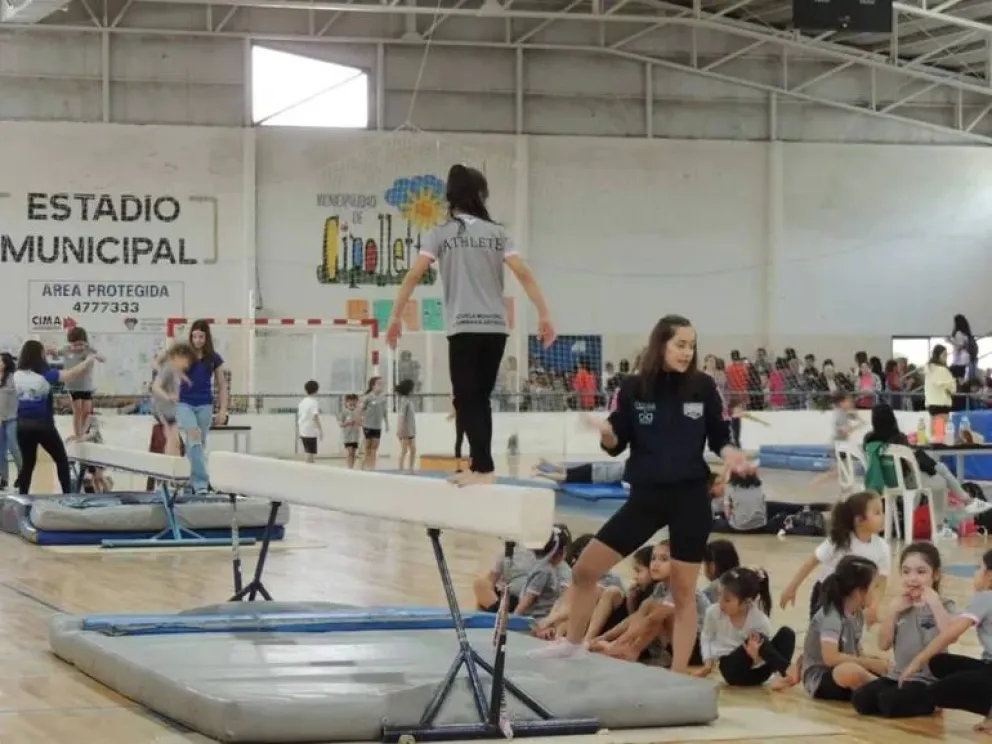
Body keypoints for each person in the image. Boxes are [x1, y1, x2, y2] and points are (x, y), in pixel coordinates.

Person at [530, 315, 753, 673]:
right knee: (586, 568)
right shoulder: (634, 388)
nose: (687, 352)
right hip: (646, 499)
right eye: (680, 344)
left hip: (690, 499)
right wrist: (604, 431)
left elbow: (721, 436)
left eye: (691, 345)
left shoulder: (703, 387)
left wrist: (732, 455)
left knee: (683, 592)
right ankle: (572, 644)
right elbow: (616, 441)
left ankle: (678, 673)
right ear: (660, 344)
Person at [385, 163, 556, 487]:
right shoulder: (498, 233)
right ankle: (480, 466)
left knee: (469, 400)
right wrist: (544, 314)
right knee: (478, 400)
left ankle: (483, 469)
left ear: (451, 197)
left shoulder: (440, 234)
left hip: (464, 328)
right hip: (495, 330)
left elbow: (413, 275)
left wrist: (394, 319)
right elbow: (524, 274)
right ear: (480, 195)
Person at [852, 542, 955, 718]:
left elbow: (950, 636)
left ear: (935, 574)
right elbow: (883, 644)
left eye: (921, 572)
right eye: (906, 572)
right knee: (861, 699)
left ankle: (934, 702)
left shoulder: (945, 605)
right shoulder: (900, 605)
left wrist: (935, 604)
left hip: (926, 680)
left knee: (889, 702)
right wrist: (893, 612)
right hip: (897, 675)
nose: (912, 578)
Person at [898, 548, 992, 731]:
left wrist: (917, 661)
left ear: (989, 576)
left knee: (938, 691)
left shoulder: (986, 597)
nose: (975, 573)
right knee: (940, 663)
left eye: (978, 568)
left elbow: (951, 633)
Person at [789, 556, 888, 700]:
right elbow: (831, 658)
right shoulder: (831, 616)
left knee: (884, 664)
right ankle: (883, 689)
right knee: (849, 671)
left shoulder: (857, 613)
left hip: (844, 670)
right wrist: (869, 663)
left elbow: (857, 651)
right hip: (821, 678)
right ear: (859, 591)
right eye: (874, 587)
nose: (876, 593)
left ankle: (877, 686)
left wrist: (877, 663)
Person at [780, 490, 889, 620]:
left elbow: (882, 580)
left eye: (882, 511)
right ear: (859, 520)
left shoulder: (882, 547)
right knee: (822, 633)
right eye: (877, 512)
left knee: (847, 637)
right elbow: (812, 561)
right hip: (827, 595)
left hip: (855, 600)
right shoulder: (839, 540)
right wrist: (792, 587)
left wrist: (874, 606)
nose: (883, 516)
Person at [862, 402, 961, 535]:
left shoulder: (869, 440)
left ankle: (961, 501)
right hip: (906, 483)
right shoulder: (899, 438)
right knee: (940, 483)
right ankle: (939, 525)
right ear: (892, 418)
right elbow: (909, 465)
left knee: (938, 473)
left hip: (885, 483)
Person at [13, 340, 96, 494]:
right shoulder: (45, 374)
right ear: (38, 356)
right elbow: (71, 374)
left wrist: (47, 350)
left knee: (28, 464)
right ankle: (67, 495)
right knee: (61, 460)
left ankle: (22, 498)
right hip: (43, 426)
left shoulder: (17, 375)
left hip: (22, 426)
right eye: (42, 354)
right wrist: (88, 361)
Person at [695, 567, 796, 687]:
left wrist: (756, 657)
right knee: (752, 640)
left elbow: (766, 653)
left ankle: (784, 677)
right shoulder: (713, 612)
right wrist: (707, 664)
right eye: (719, 595)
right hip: (732, 671)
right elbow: (706, 638)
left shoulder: (760, 620)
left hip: (759, 671)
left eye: (727, 600)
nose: (720, 602)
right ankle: (790, 670)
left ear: (746, 602)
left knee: (787, 633)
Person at [161, 320, 229, 495]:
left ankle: (191, 482)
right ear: (191, 337)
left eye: (201, 336)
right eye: (195, 336)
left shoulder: (213, 358)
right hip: (185, 404)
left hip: (205, 405)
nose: (198, 340)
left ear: (207, 338)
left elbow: (222, 385)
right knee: (194, 439)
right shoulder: (186, 356)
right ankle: (201, 483)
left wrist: (222, 410)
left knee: (197, 446)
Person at [52, 327, 105, 440]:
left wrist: (94, 354)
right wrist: (49, 350)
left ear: (84, 342)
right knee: (78, 410)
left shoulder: (88, 349)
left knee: (86, 411)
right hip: (73, 385)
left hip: (86, 386)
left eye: (80, 344)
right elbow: (55, 353)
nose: (77, 347)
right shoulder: (66, 349)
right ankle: (78, 434)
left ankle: (83, 432)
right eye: (74, 345)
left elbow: (103, 359)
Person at [152, 343, 195, 458]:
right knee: (170, 438)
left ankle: (174, 463)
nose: (187, 366)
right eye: (186, 362)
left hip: (170, 410)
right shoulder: (167, 368)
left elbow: (180, 374)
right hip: (162, 410)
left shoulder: (175, 369)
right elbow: (155, 386)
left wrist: (187, 381)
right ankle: (169, 465)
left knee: (175, 440)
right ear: (178, 357)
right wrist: (168, 396)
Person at [0, 352, 22, 491]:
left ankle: (22, 474)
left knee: (14, 447)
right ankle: (4, 478)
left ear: (6, 363)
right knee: (0, 451)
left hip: (12, 418)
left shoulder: (13, 378)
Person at [923, 344, 955, 440]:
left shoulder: (929, 370)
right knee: (940, 437)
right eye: (944, 355)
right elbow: (952, 388)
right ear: (938, 355)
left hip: (931, 404)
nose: (946, 358)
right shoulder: (942, 370)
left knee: (935, 436)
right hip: (941, 404)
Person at [360, 376, 388, 470]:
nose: (381, 386)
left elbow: (384, 411)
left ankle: (372, 466)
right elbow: (361, 409)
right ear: (373, 385)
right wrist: (361, 420)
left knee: (374, 448)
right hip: (368, 425)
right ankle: (365, 465)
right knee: (368, 447)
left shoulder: (383, 398)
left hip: (377, 426)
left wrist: (387, 423)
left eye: (382, 384)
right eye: (379, 384)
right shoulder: (367, 397)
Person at [532, 458, 624, 485]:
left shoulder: (625, 464)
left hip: (593, 466)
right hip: (593, 475)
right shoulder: (628, 472)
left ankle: (544, 463)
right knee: (566, 478)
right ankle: (541, 474)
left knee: (567, 471)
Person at [297, 380, 322, 464]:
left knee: (307, 451)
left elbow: (300, 415)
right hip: (310, 430)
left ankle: (308, 467)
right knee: (310, 453)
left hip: (302, 428)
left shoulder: (302, 402)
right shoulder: (314, 402)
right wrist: (320, 430)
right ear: (316, 390)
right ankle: (309, 469)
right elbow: (315, 416)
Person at [395, 378, 417, 472]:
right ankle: (400, 468)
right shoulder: (404, 401)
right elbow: (401, 415)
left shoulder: (408, 400)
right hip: (405, 430)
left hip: (410, 429)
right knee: (404, 450)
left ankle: (411, 468)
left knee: (413, 449)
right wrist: (399, 430)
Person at [949, 313, 978, 381]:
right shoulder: (967, 334)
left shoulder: (958, 333)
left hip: (960, 360)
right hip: (967, 358)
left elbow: (959, 347)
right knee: (962, 378)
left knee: (956, 379)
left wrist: (950, 342)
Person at [338, 394, 361, 469]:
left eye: (354, 403)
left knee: (354, 453)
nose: (352, 405)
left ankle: (352, 466)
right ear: (346, 403)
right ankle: (349, 467)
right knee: (350, 452)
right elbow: (340, 424)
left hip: (355, 436)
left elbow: (361, 422)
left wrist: (358, 422)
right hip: (347, 436)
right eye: (350, 403)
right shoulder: (344, 412)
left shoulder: (357, 412)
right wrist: (347, 423)